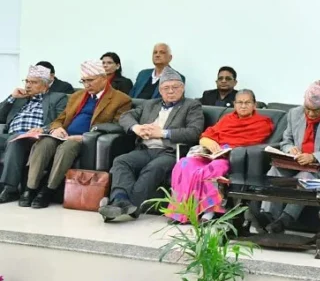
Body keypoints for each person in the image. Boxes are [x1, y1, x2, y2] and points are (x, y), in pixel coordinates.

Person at [23, 60, 132, 208]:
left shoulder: (121, 99)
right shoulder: (77, 96)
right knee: (44, 143)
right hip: (63, 134)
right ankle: (30, 188)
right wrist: (56, 128)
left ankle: (48, 190)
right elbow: (60, 119)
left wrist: (85, 136)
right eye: (84, 81)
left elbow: (117, 126)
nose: (87, 85)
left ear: (104, 78)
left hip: (84, 139)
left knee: (67, 147)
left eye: (90, 80)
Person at [100, 68, 203, 222]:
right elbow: (126, 116)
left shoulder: (192, 105)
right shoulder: (150, 104)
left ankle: (124, 204)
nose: (171, 91)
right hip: (145, 149)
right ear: (160, 91)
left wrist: (162, 133)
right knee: (121, 161)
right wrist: (136, 128)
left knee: (153, 168)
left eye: (175, 87)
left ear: (182, 88)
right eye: (166, 88)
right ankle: (120, 199)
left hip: (170, 152)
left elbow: (194, 132)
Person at [253, 81, 320, 234]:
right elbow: (286, 141)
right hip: (295, 163)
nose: (310, 114)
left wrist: (313, 157)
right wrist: (290, 149)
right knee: (274, 171)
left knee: (305, 177)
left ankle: (284, 220)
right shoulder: (294, 114)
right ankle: (268, 216)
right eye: (307, 109)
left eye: (315, 110)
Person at [167, 89, 272, 223]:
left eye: (247, 103)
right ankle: (182, 212)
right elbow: (208, 134)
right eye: (240, 102)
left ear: (254, 105)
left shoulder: (262, 122)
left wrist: (226, 149)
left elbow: (251, 141)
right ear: (234, 104)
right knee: (184, 163)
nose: (243, 106)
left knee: (212, 169)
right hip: (212, 154)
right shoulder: (227, 119)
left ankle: (209, 211)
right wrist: (208, 142)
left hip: (231, 158)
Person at [0, 65, 69, 203]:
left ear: (45, 85)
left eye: (33, 82)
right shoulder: (19, 97)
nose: (28, 85)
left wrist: (43, 129)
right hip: (11, 134)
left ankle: (10, 189)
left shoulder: (58, 97)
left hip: (34, 136)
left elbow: (61, 120)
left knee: (16, 140)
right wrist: (11, 98)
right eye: (26, 81)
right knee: (14, 138)